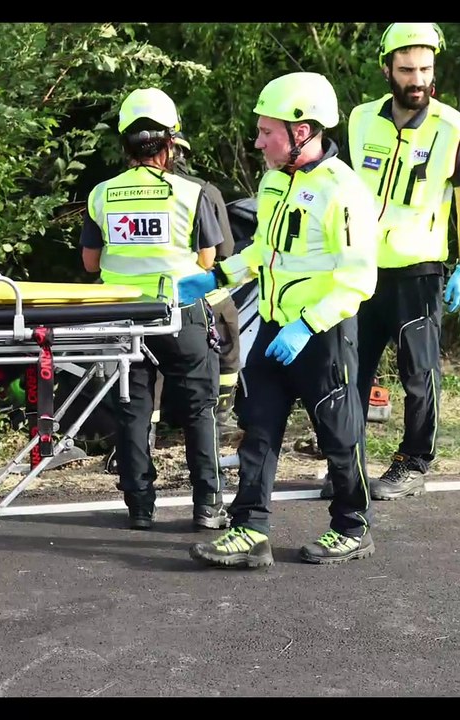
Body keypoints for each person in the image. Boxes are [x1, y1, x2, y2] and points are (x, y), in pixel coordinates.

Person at [177, 71, 379, 567]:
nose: (258, 141)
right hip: (273, 326)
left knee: (339, 435)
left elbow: (359, 279)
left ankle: (352, 527)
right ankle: (250, 529)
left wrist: (306, 326)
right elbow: (266, 250)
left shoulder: (343, 190)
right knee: (258, 428)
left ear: (301, 132)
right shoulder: (273, 181)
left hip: (322, 334)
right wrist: (217, 276)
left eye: (267, 132)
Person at [330, 22, 460, 501]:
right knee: (351, 370)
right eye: (407, 70)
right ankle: (347, 463)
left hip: (419, 271)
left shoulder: (453, 129)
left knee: (419, 374)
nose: (418, 80)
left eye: (425, 69)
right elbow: (340, 187)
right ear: (387, 70)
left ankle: (414, 462)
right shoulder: (360, 119)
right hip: (361, 267)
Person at [80, 87, 230, 532]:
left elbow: (90, 263)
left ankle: (140, 507)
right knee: (199, 409)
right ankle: (207, 506)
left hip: (123, 316)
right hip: (179, 311)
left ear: (125, 142)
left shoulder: (102, 194)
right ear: (170, 142)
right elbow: (208, 259)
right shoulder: (191, 192)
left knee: (133, 409)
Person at [172, 130, 242, 440]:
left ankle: (151, 427)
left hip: (141, 298)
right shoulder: (203, 191)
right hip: (199, 293)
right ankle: (221, 419)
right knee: (227, 332)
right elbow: (224, 251)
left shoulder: (119, 190)